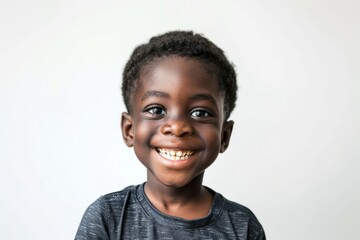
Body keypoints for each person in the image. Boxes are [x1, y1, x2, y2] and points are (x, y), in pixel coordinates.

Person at [75, 31, 266, 239]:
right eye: (157, 110)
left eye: (200, 113)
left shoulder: (243, 227)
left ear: (224, 135)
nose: (177, 127)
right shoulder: (107, 217)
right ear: (129, 129)